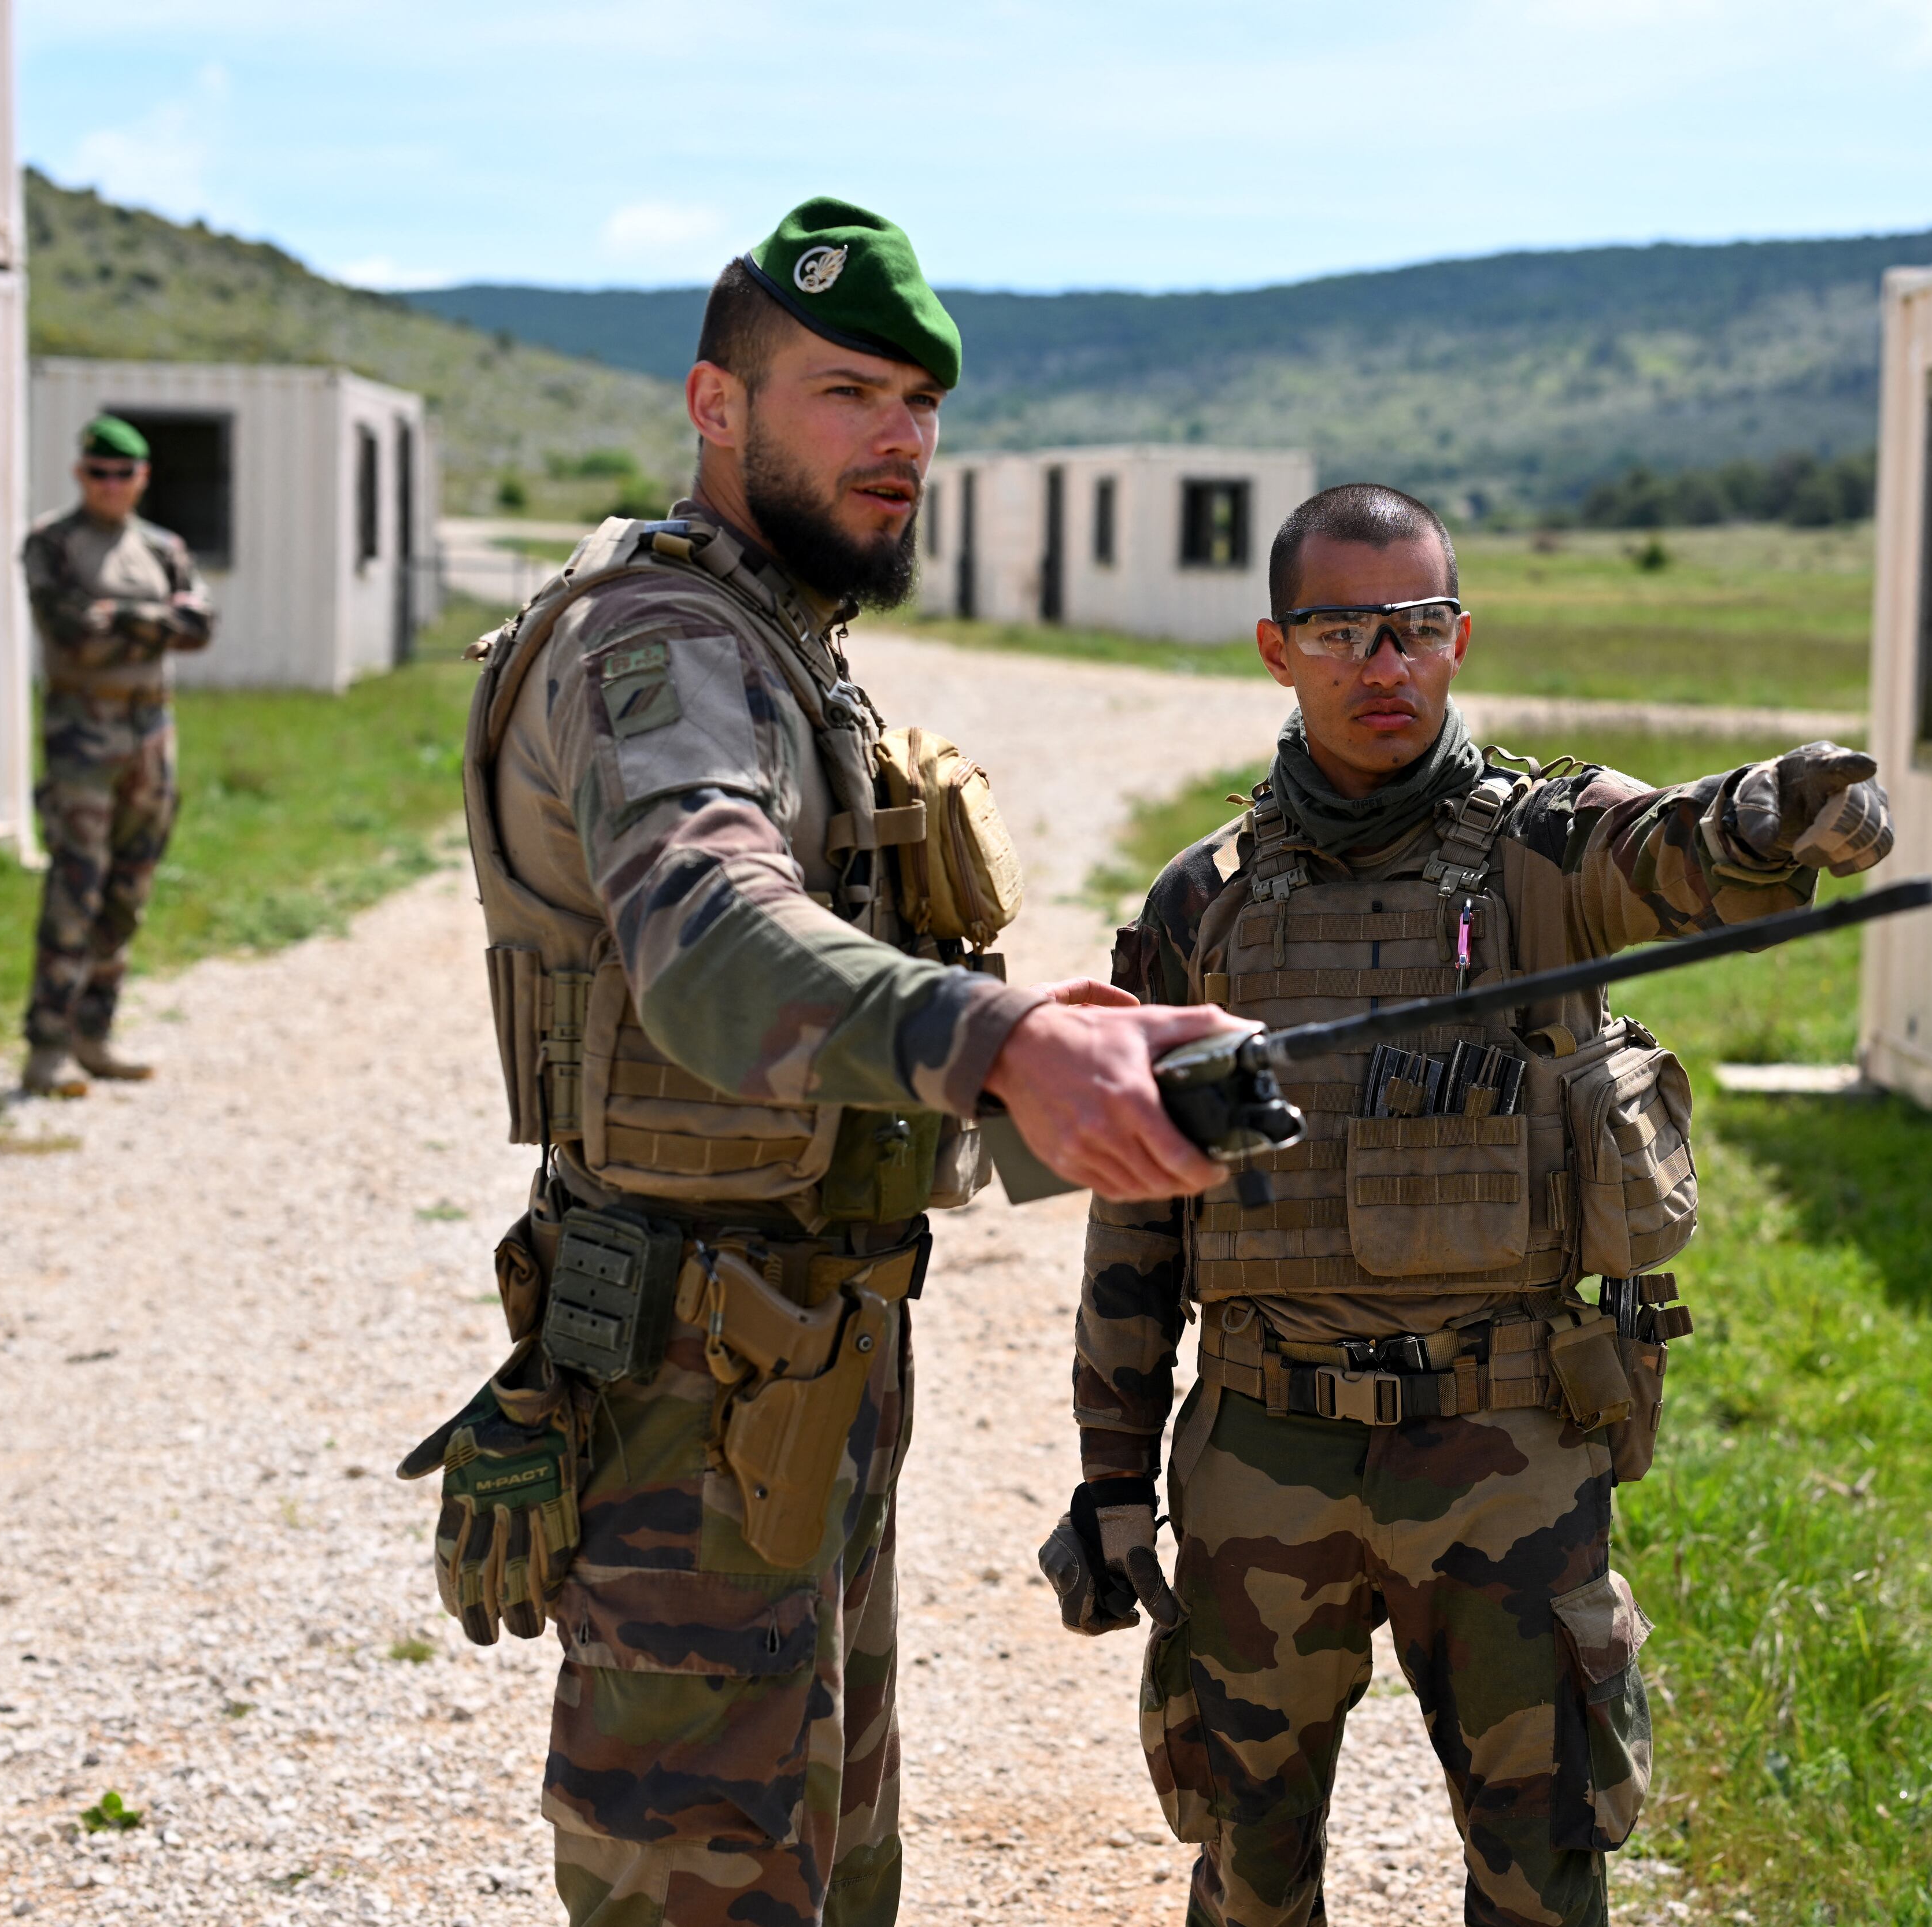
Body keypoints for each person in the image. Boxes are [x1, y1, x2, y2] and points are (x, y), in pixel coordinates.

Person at [404, 197, 1230, 1927]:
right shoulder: (665, 644)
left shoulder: (779, 640)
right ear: (717, 405)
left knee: (829, 1868)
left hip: (792, 1370)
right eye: (846, 393)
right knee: (709, 1884)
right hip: (699, 1392)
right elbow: (706, 944)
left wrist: (1050, 1056)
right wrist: (999, 1037)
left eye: (922, 403)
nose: (900, 440)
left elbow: (811, 1037)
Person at [1053, 483, 1895, 1927]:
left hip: (1505, 1448)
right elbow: (1138, 1209)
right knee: (1246, 1876)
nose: (1385, 666)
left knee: (1541, 1875)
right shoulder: (1206, 903)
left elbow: (1683, 853)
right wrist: (1113, 1475)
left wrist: (1776, 814)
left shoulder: (1549, 854)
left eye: (1418, 628)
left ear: (1458, 638)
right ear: (1275, 647)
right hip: (1264, 1452)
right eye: (1344, 632)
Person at [18, 415, 214, 1098]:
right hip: (82, 739)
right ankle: (47, 1048)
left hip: (151, 739)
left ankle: (93, 1036)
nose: (110, 484)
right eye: (98, 472)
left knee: (129, 892)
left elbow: (200, 628)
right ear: (81, 474)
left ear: (141, 479)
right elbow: (71, 633)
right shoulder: (53, 544)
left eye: (122, 473)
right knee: (76, 886)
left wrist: (120, 618)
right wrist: (154, 622)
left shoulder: (163, 548)